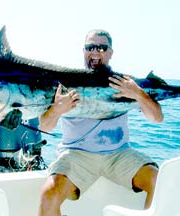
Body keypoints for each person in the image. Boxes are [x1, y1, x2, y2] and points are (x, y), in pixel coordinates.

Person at [38, 29, 163, 215]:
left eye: (102, 48)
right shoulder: (64, 84)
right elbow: (45, 126)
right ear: (84, 51)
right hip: (76, 155)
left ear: (111, 52)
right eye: (90, 47)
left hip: (119, 155)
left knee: (159, 182)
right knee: (48, 194)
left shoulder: (125, 83)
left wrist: (138, 93)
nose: (95, 52)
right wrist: (56, 110)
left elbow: (157, 118)